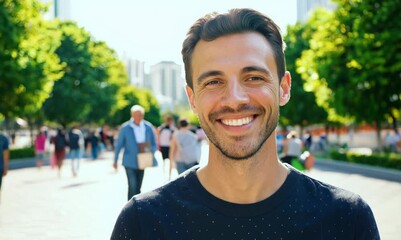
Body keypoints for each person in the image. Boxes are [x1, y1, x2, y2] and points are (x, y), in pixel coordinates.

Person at [111, 8, 379, 239]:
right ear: (192, 99)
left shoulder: (347, 220)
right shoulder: (142, 224)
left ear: (284, 88)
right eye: (214, 82)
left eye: (253, 77)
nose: (235, 99)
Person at [113, 105, 158, 200]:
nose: (139, 117)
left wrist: (150, 152)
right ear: (132, 115)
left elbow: (154, 143)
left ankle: (137, 207)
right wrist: (115, 160)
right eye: (136, 115)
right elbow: (119, 145)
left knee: (138, 187)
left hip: (143, 160)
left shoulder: (148, 127)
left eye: (141, 115)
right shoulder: (125, 128)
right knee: (132, 185)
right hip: (129, 161)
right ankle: (129, 208)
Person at [0, 133, 9, 198]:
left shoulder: (3, 138)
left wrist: (5, 167)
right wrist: (5, 167)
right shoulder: (3, 138)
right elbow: (6, 153)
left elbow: (6, 153)